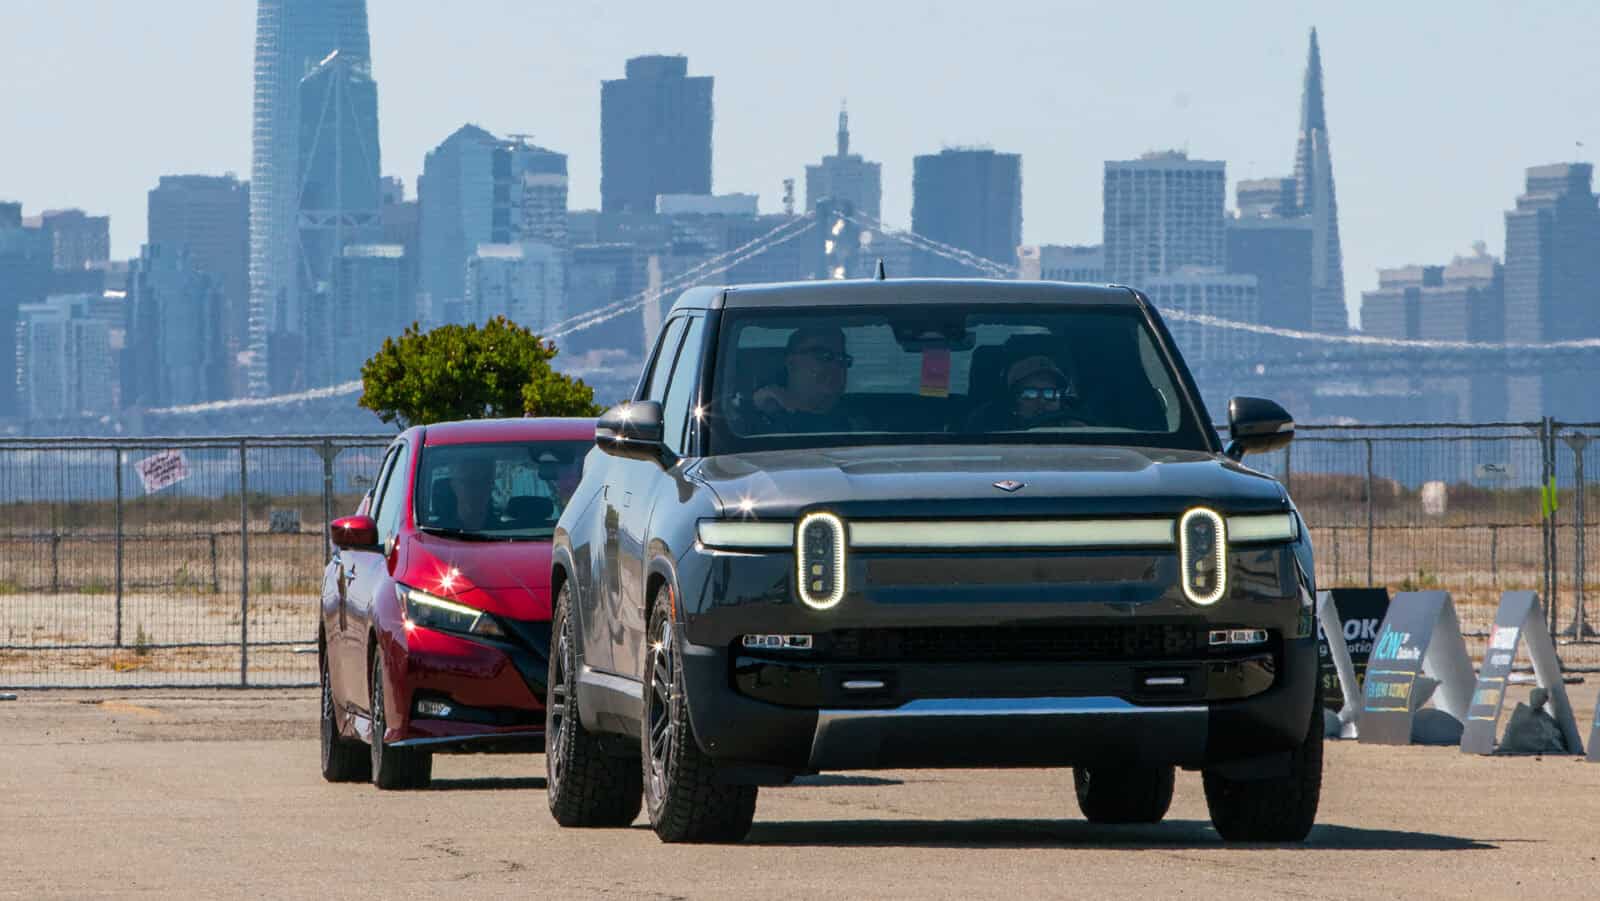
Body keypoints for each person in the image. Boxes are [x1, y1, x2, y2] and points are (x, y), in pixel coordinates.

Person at [749, 326, 857, 432]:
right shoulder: (762, 418)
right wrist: (757, 408)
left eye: (842, 359)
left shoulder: (859, 422)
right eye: (824, 356)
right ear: (791, 363)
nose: (836, 366)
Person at [967, 353, 1089, 431]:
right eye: (1031, 394)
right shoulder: (990, 433)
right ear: (1013, 400)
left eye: (1050, 394)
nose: (1042, 401)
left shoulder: (1079, 433)